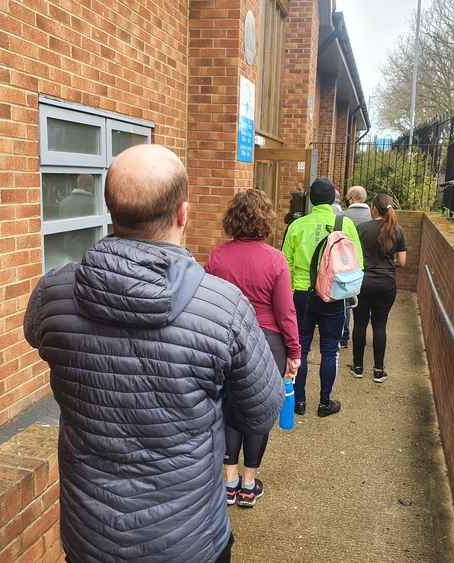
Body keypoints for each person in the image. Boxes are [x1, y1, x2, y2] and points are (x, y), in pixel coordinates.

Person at [24, 145, 283, 563]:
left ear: (111, 210)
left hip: (90, 538)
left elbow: (35, 336)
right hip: (189, 541)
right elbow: (261, 412)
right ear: (183, 213)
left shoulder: (54, 292)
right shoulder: (223, 307)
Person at [206, 189, 301, 509]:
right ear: (266, 219)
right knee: (258, 412)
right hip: (268, 342)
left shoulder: (217, 257)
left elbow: (209, 303)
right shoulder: (275, 259)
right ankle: (249, 484)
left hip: (226, 338)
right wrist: (294, 351)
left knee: (230, 407)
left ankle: (229, 482)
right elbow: (286, 312)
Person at [282, 177, 363, 417]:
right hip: (334, 296)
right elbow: (357, 263)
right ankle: (325, 402)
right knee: (330, 350)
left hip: (302, 296)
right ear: (332, 199)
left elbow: (284, 264)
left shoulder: (297, 226)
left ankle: (299, 402)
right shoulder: (345, 224)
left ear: (311, 199)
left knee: (301, 350)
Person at [350, 193, 407, 383]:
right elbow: (403, 261)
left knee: (359, 324)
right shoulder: (397, 230)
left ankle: (358, 367)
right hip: (386, 284)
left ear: (374, 208)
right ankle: (378, 370)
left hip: (363, 282)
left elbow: (353, 256)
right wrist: (387, 265)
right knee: (380, 325)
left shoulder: (362, 228)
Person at [340, 185, 372, 348]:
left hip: (346, 265)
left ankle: (344, 336)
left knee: (345, 301)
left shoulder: (342, 216)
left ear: (351, 197)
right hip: (368, 266)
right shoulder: (372, 217)